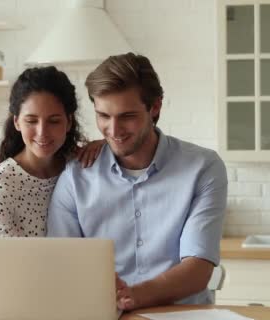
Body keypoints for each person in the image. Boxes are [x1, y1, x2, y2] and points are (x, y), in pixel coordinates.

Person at [46, 53, 228, 310]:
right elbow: (63, 261)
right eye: (104, 116)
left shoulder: (202, 168)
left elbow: (198, 269)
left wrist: (132, 296)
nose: (114, 130)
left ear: (155, 107)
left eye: (127, 116)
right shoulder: (76, 176)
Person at [0, 66, 103, 237]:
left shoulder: (80, 165)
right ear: (17, 122)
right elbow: (5, 260)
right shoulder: (0, 184)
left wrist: (106, 146)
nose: (42, 132)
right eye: (31, 121)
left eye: (54, 121)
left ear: (68, 122)